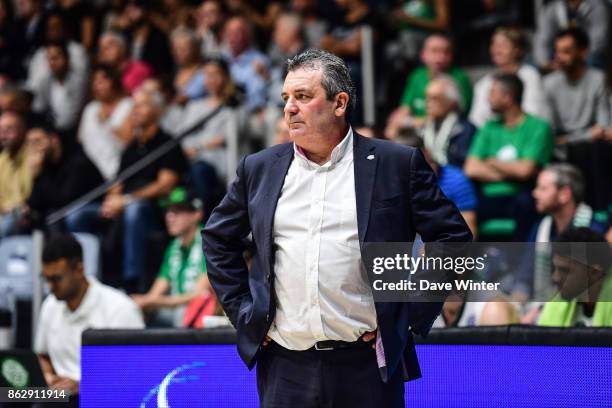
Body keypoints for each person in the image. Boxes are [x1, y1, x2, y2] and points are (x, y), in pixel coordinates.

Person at [202, 48, 472, 407]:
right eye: (286, 98)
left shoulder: (396, 163)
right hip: (285, 365)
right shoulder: (259, 168)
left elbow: (452, 239)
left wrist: (408, 313)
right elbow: (218, 238)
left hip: (366, 365)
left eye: (302, 96)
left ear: (339, 103)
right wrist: (242, 311)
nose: (289, 108)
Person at [68, 88, 186, 293]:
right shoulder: (131, 148)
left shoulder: (168, 144)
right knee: (77, 217)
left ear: (157, 110)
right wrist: (111, 200)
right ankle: (86, 277)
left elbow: (166, 184)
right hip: (124, 204)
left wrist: (127, 199)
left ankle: (132, 281)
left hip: (153, 210)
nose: (135, 110)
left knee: (135, 210)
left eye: (141, 105)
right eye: (134, 106)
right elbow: (118, 182)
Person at [35, 233, 144, 402]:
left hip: (103, 396)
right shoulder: (50, 305)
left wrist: (84, 386)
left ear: (79, 270)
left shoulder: (120, 308)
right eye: (46, 279)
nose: (50, 286)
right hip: (59, 396)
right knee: (8, 395)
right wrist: (47, 376)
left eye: (56, 278)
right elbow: (43, 355)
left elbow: (137, 372)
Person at [464, 73, 553, 241]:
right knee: (462, 207)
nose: (488, 98)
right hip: (488, 197)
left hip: (521, 195)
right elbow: (471, 168)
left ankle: (522, 263)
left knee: (526, 204)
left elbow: (525, 171)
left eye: (492, 93)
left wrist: (490, 161)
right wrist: (512, 171)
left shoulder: (538, 127)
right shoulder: (489, 128)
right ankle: (466, 265)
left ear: (507, 97)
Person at [543, 28, 611, 211]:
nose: (560, 57)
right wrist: (585, 134)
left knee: (597, 149)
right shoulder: (549, 83)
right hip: (563, 149)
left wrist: (576, 137)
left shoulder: (597, 79)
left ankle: (598, 215)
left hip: (592, 148)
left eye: (566, 51)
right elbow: (550, 134)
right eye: (557, 51)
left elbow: (604, 127)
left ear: (583, 52)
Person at [131, 187, 212, 327]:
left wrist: (154, 301)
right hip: (179, 314)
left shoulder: (209, 243)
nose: (169, 217)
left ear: (197, 214)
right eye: (168, 211)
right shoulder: (173, 247)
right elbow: (155, 292)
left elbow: (200, 295)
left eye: (177, 211)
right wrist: (140, 303)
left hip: (203, 317)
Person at [385, 33, 472, 139]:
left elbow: (452, 117)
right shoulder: (417, 75)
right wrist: (395, 123)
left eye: (446, 52)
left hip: (444, 133)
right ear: (423, 55)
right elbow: (405, 107)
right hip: (417, 131)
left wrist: (410, 122)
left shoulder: (459, 78)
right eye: (435, 51)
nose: (441, 57)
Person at [24, 126, 103, 232]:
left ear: (54, 139)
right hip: (63, 211)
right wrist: (34, 177)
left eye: (38, 141)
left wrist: (40, 178)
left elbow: (65, 200)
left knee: (54, 216)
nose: (34, 148)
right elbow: (35, 204)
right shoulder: (43, 165)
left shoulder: (77, 160)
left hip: (94, 207)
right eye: (29, 143)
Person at [469, 27, 547, 128]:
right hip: (493, 138)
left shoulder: (530, 76)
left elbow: (534, 113)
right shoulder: (483, 84)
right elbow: (476, 121)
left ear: (517, 50)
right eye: (494, 45)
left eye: (503, 45)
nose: (496, 50)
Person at [538, 227, 612, 326]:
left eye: (565, 270)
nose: (555, 277)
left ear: (595, 272)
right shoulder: (556, 303)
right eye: (554, 268)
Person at [77, 64, 133, 181]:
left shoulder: (128, 105)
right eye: (95, 81)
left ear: (114, 81)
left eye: (103, 80)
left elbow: (129, 141)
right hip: (90, 169)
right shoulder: (90, 109)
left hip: (119, 167)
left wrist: (107, 123)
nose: (98, 85)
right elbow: (81, 139)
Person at [534, 0, 609, 70]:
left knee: (594, 59)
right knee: (537, 65)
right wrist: (545, 62)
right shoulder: (553, 8)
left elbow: (598, 40)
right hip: (560, 54)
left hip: (586, 54)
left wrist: (579, 57)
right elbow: (543, 41)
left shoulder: (597, 6)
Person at [0, 111, 31, 237]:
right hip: (4, 213)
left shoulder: (33, 155)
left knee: (6, 226)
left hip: (27, 213)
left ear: (23, 131)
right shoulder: (1, 161)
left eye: (9, 129)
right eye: (1, 130)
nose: (3, 135)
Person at [97, 30, 153, 95]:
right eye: (101, 48)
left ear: (123, 47)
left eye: (110, 45)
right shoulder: (101, 74)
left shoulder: (141, 69)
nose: (104, 51)